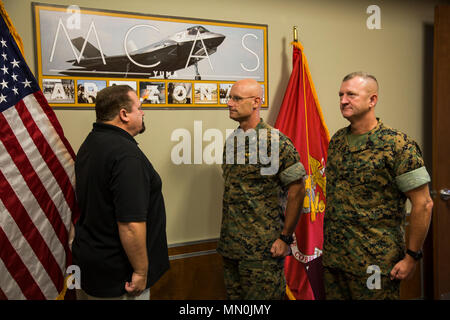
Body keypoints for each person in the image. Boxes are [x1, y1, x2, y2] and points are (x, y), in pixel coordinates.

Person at [323, 72, 433, 300]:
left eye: (351, 94)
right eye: (341, 95)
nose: (343, 100)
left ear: (372, 100)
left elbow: (423, 204)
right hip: (336, 262)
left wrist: (412, 256)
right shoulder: (337, 141)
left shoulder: (398, 145)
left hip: (375, 263)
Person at [72, 85, 169, 300]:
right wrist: (141, 271)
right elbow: (130, 224)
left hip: (92, 267)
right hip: (119, 278)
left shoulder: (91, 142)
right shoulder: (125, 155)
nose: (143, 113)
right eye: (139, 108)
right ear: (124, 114)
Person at [217, 78, 306, 299]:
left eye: (237, 98)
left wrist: (285, 237)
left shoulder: (276, 142)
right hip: (231, 247)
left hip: (262, 251)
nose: (230, 103)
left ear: (256, 102)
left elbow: (297, 191)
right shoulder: (232, 141)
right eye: (230, 98)